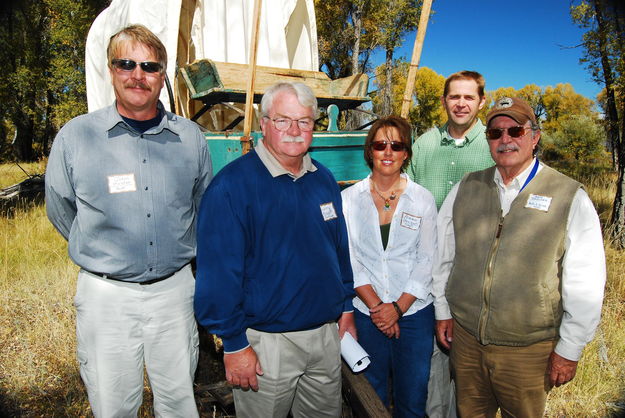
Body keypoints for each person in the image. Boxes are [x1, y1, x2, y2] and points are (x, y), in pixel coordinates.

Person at [45, 24, 213, 417]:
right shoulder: (76, 138)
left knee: (178, 403)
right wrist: (109, 255)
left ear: (162, 75)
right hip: (107, 298)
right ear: (111, 70)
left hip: (174, 294)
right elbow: (61, 209)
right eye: (127, 64)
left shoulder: (190, 139)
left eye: (150, 66)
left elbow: (203, 207)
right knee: (113, 405)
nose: (138, 75)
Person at [434, 97, 606, 417]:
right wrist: (443, 310)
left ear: (534, 136)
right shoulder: (466, 187)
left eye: (515, 130)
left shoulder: (569, 195)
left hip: (528, 351)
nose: (505, 140)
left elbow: (586, 281)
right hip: (467, 341)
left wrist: (569, 348)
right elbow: (443, 255)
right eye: (495, 133)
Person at [194, 82, 356, 418]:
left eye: (305, 122)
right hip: (266, 344)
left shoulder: (323, 179)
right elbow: (218, 277)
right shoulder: (232, 187)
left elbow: (339, 250)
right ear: (263, 123)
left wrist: (346, 308)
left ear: (314, 126)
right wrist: (235, 344)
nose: (295, 131)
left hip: (325, 337)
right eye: (283, 120)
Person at [408, 70, 494, 418]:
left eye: (468, 97)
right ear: (444, 101)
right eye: (454, 97)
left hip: (475, 270)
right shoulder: (424, 145)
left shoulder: (494, 145)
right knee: (434, 355)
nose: (461, 103)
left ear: (481, 102)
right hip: (428, 269)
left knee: (472, 360)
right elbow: (406, 199)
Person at [341, 116, 437, 417]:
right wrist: (378, 308)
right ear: (370, 151)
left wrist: (397, 308)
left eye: (396, 145)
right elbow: (349, 257)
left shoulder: (422, 199)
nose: (388, 152)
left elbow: (427, 259)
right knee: (372, 396)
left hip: (415, 314)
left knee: (412, 398)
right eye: (380, 144)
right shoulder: (348, 199)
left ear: (406, 153)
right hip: (366, 313)